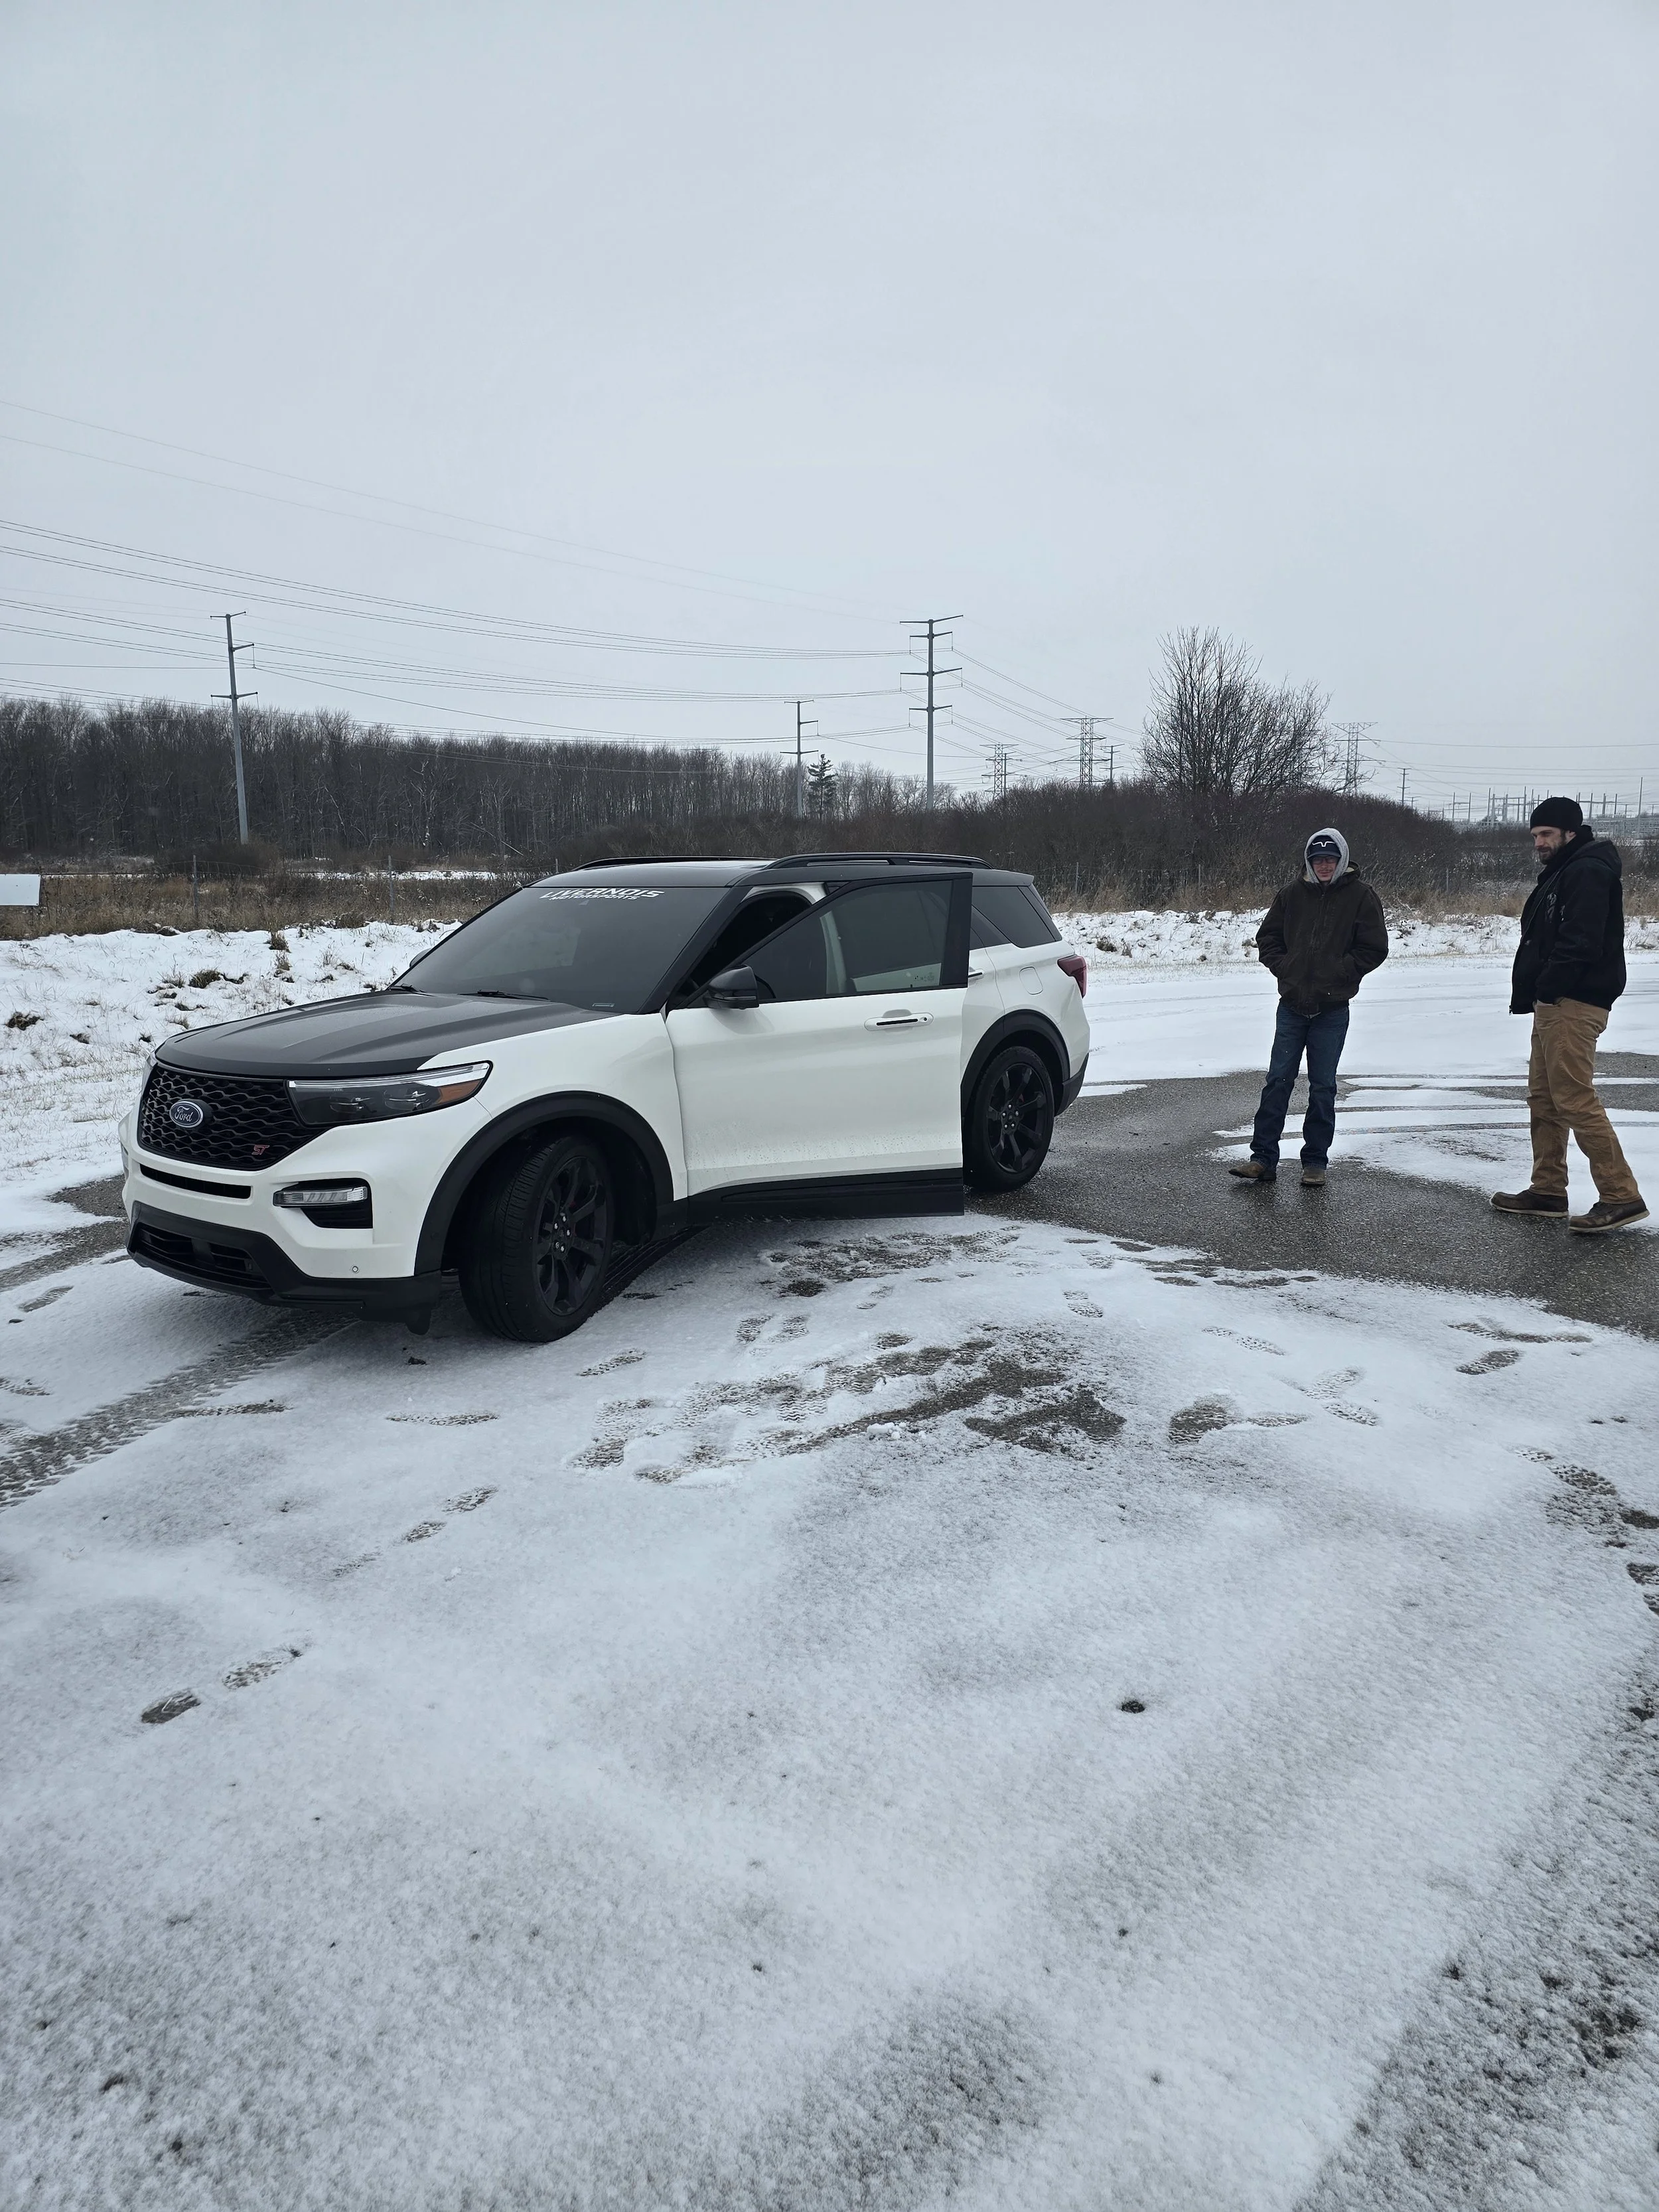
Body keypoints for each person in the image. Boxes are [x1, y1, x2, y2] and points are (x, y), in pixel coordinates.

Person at [1492, 798, 1647, 1233]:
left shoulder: (1587, 871)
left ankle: (1621, 1195)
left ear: (1570, 833)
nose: (1539, 843)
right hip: (1555, 1002)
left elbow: (1582, 940)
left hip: (1575, 1001)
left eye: (1546, 835)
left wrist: (1550, 985)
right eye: (1535, 835)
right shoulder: (1567, 869)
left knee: (1574, 1097)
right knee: (1544, 1100)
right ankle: (1548, 1190)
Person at [1229, 827, 1389, 1187]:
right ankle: (1262, 1159)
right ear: (1309, 862)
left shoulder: (1362, 897)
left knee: (1322, 1087)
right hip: (1292, 1008)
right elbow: (1267, 938)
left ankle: (1315, 1161)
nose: (1324, 865)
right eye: (1318, 860)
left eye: (1331, 859)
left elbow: (1374, 948)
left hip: (1331, 1011)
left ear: (1342, 860)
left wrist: (1341, 972)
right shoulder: (1291, 895)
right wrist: (1285, 967)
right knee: (1277, 1081)